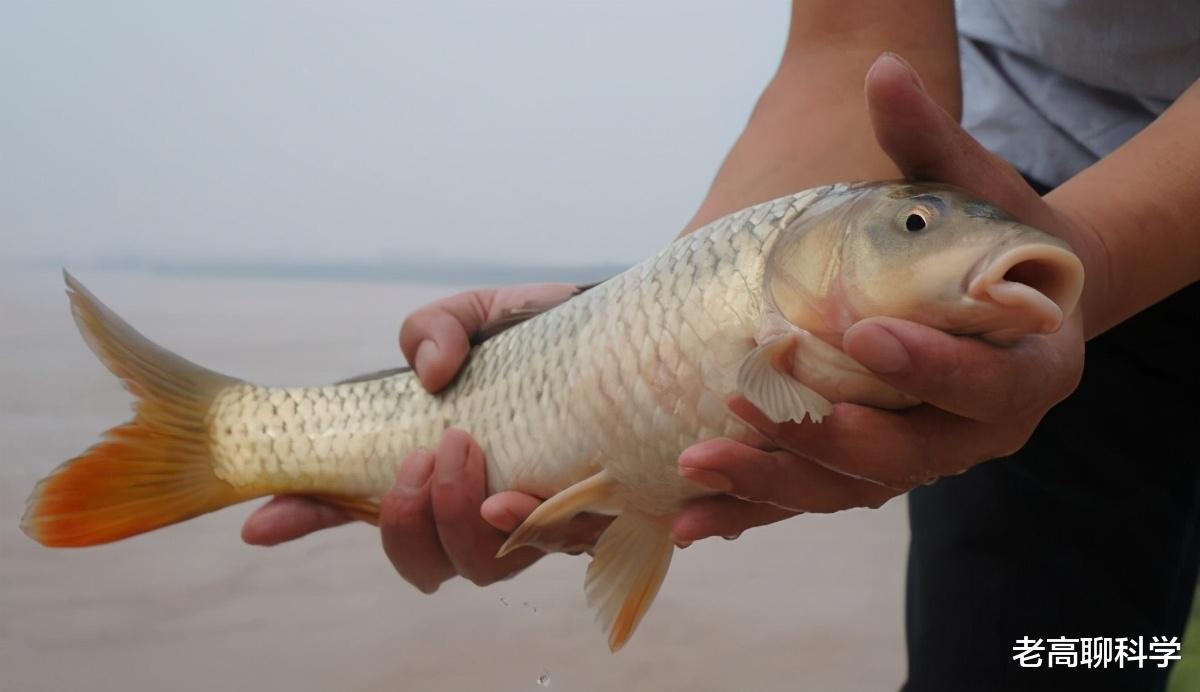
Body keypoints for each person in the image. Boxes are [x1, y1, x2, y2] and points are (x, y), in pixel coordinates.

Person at [241, 2, 1200, 689]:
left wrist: (1105, 252)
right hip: (1007, 205)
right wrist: (622, 321)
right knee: (1049, 655)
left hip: (1034, 236)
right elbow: (855, 40)